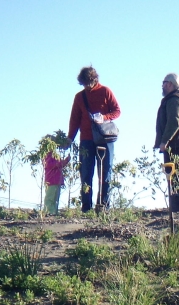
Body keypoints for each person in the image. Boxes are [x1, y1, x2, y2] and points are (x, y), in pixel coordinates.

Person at [67, 66, 121, 212]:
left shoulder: (105, 91)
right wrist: (69, 138)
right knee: (85, 173)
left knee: (105, 172)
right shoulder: (79, 97)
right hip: (86, 139)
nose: (86, 86)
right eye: (83, 84)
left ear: (94, 79)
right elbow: (74, 120)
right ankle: (86, 207)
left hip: (104, 138)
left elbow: (117, 111)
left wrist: (103, 117)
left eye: (87, 83)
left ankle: (103, 206)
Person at [154, 73, 179, 164]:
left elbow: (174, 122)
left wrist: (164, 141)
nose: (162, 86)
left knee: (174, 177)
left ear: (169, 84)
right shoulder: (177, 99)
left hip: (175, 146)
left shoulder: (174, 99)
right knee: (177, 176)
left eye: (164, 83)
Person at [43, 143, 69, 216]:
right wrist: (60, 162)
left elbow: (60, 164)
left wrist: (66, 160)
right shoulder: (47, 155)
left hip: (57, 180)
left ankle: (54, 212)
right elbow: (50, 165)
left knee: (56, 198)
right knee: (50, 197)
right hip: (51, 180)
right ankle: (48, 212)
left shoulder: (55, 155)